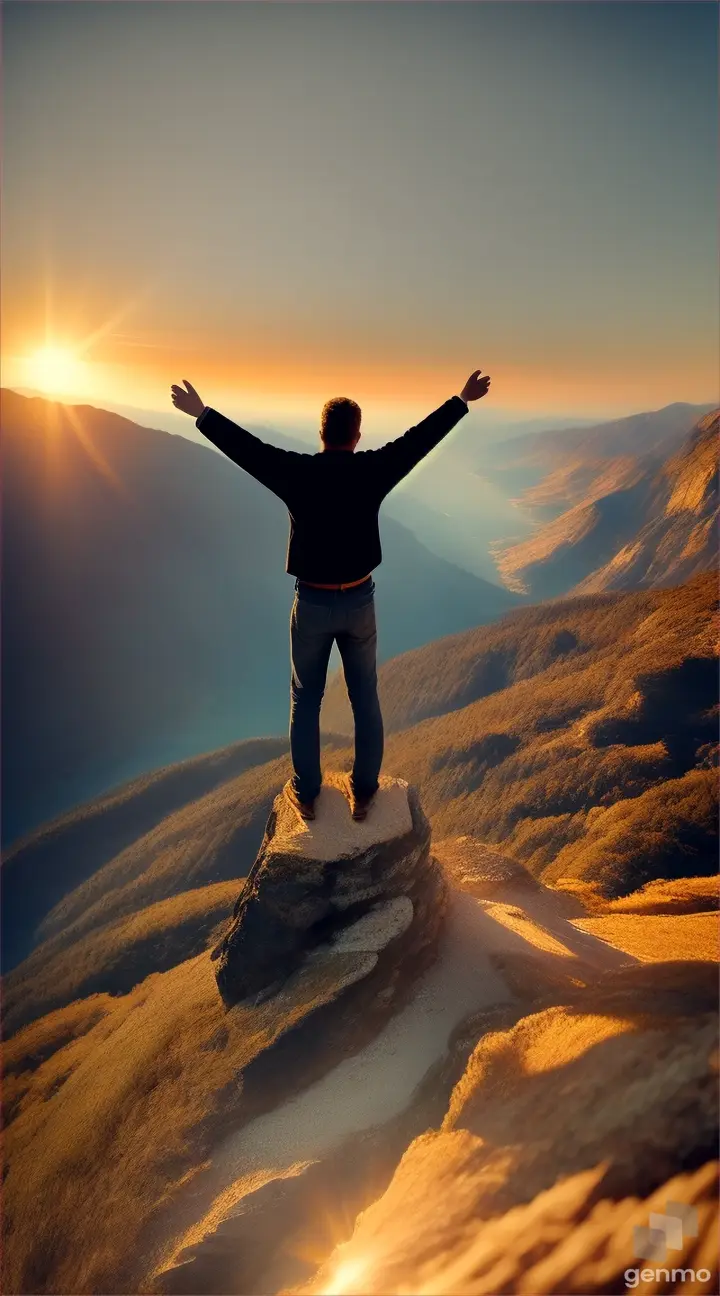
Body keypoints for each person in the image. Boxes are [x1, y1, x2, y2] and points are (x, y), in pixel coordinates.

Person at [171, 368, 491, 821]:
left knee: (306, 698)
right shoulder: (373, 470)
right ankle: (364, 790)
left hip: (314, 603)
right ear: (357, 436)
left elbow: (247, 450)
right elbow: (420, 439)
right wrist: (461, 400)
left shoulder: (297, 473)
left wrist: (201, 414)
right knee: (365, 695)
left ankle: (306, 791)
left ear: (321, 433)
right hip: (360, 601)